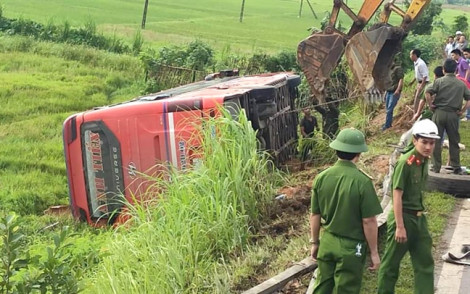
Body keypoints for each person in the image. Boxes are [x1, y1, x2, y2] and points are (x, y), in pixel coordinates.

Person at [309, 128, 382, 293]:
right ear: (359, 154)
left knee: (322, 286)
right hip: (351, 247)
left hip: (327, 241)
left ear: (336, 150)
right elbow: (369, 221)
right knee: (346, 289)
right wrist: (374, 252)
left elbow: (315, 214)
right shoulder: (362, 182)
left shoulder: (322, 177)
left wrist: (315, 242)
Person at [377, 119, 440, 294]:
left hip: (419, 219)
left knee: (425, 262)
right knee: (391, 264)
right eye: (424, 142)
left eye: (431, 143)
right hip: (403, 217)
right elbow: (397, 195)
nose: (428, 147)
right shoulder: (406, 162)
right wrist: (399, 227)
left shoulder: (424, 160)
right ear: (414, 140)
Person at [425, 59, 470, 174]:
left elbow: (427, 91)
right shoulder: (461, 83)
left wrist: (431, 105)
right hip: (453, 115)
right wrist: (463, 110)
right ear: (456, 70)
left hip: (439, 113)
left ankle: (436, 166)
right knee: (454, 141)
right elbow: (468, 99)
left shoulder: (439, 81)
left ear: (444, 70)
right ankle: (456, 167)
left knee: (436, 140)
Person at [383, 61, 404, 130]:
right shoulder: (389, 70)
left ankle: (387, 125)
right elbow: (388, 83)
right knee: (388, 109)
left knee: (390, 109)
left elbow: (401, 80)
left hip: (394, 92)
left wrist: (398, 90)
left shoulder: (398, 68)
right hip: (389, 91)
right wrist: (385, 93)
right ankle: (388, 123)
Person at [409, 49, 429, 113]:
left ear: (414, 55)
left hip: (424, 83)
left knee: (417, 100)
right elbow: (417, 74)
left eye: (411, 54)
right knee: (417, 98)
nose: (410, 56)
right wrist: (412, 82)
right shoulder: (416, 63)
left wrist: (421, 86)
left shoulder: (421, 64)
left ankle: (416, 114)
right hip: (419, 82)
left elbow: (425, 76)